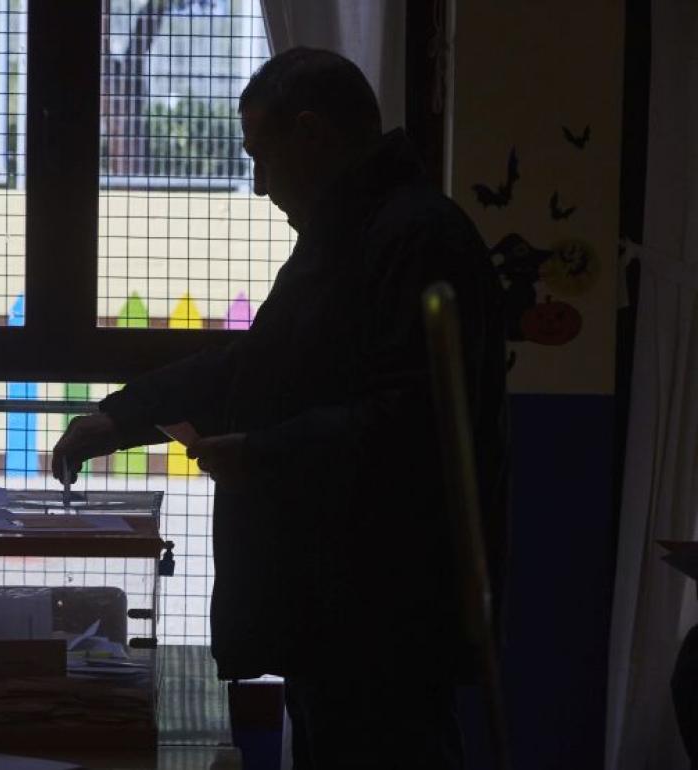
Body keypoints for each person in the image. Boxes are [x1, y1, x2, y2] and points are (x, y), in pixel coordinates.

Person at [52, 48, 507, 768]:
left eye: (262, 157)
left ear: (311, 132)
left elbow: (413, 421)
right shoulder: (355, 234)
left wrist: (263, 455)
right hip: (338, 604)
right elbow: (257, 362)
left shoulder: (412, 236)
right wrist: (125, 416)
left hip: (380, 606)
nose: (260, 185)